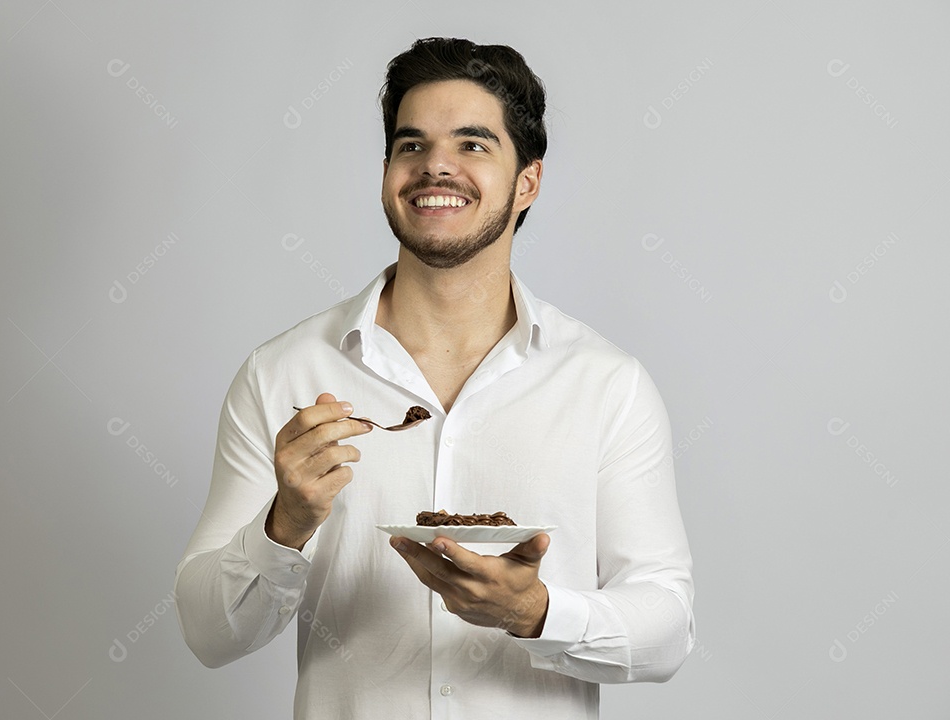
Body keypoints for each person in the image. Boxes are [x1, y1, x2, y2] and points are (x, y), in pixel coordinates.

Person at [174, 36, 695, 719]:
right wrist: (284, 526)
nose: (435, 167)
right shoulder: (284, 374)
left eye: (473, 144)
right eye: (411, 145)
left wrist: (537, 612)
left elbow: (667, 628)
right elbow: (210, 634)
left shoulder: (606, 386)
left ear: (528, 181)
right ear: (387, 168)